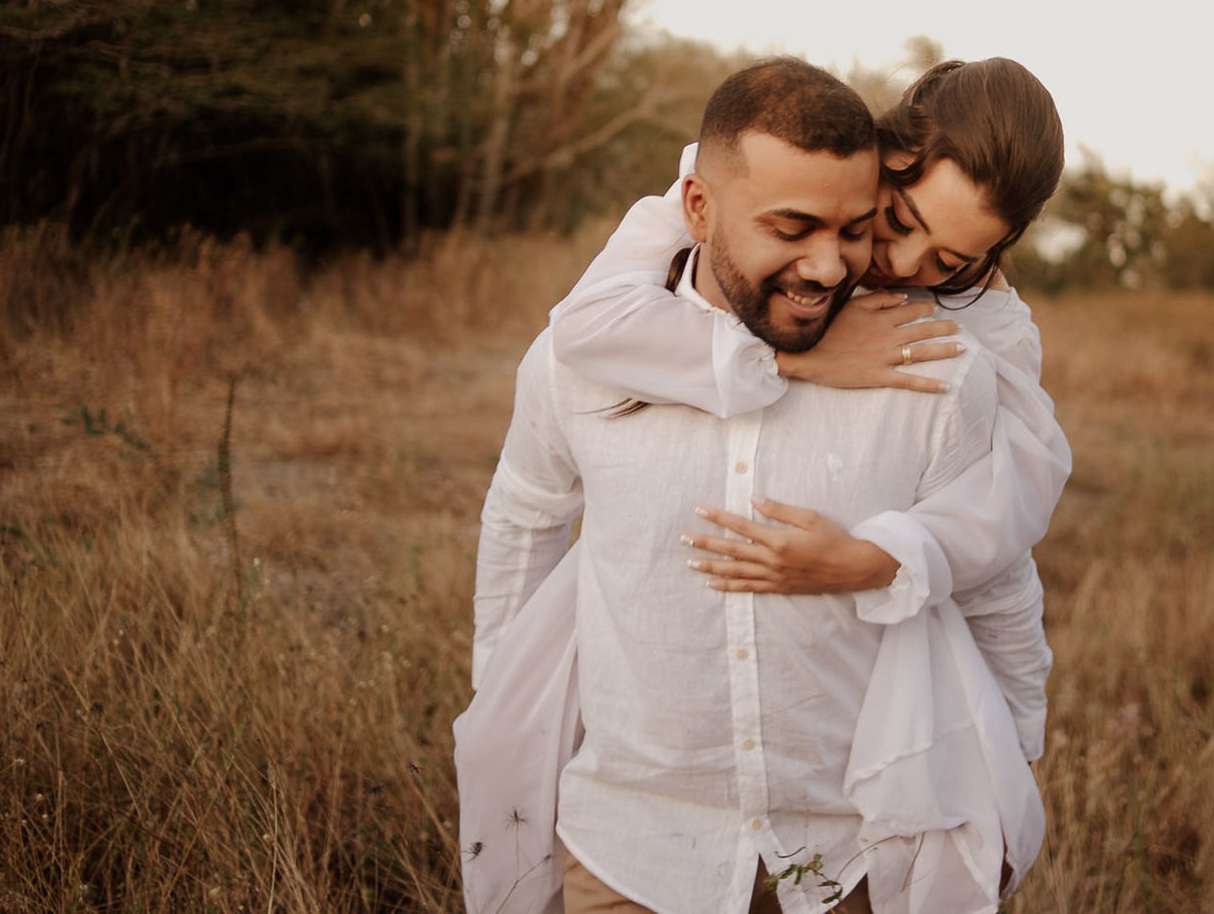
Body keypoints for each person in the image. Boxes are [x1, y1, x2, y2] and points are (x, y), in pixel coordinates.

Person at [457, 59, 1069, 913]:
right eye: (895, 221)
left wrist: (1008, 768)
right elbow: (525, 513)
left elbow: (1002, 559)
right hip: (632, 843)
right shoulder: (601, 341)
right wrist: (508, 714)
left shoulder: (957, 359)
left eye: (952, 257)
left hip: (852, 850)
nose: (892, 261)